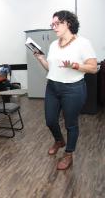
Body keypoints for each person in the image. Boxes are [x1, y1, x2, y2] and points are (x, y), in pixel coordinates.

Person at [34, 10, 97, 170]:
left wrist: (75, 65)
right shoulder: (53, 45)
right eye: (52, 24)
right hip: (53, 87)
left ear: (67, 23)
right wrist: (41, 59)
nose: (53, 27)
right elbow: (51, 68)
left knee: (71, 124)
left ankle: (68, 154)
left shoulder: (83, 43)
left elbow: (93, 68)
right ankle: (59, 140)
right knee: (50, 120)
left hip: (73, 89)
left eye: (56, 24)